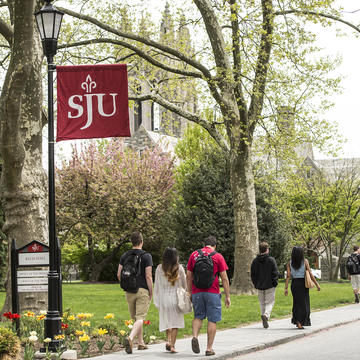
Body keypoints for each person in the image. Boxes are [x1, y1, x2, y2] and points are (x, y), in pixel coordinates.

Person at [186, 236, 231, 356]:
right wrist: (227, 296)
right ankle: (209, 348)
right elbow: (225, 278)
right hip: (213, 292)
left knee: (198, 316)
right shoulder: (218, 256)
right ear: (215, 246)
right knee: (212, 320)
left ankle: (195, 336)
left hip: (197, 291)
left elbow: (189, 275)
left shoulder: (194, 255)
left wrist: (189, 292)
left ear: (204, 244)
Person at [117, 231, 153, 354]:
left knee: (137, 318)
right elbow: (148, 276)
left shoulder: (125, 255)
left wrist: (127, 284)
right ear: (141, 241)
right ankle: (130, 338)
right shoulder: (146, 256)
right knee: (140, 318)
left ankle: (141, 343)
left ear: (131, 242)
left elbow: (119, 274)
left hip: (129, 290)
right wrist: (151, 291)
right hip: (142, 289)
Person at [153, 247, 187, 353]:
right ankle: (172, 345)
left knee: (167, 320)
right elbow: (184, 285)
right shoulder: (179, 268)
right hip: (175, 298)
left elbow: (157, 285)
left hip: (164, 299)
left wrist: (157, 299)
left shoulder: (159, 268)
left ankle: (168, 340)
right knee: (175, 323)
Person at [284, 246, 320, 329]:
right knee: (304, 303)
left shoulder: (289, 262)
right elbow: (310, 274)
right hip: (302, 284)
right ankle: (300, 322)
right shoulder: (305, 261)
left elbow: (288, 276)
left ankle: (297, 321)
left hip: (294, 284)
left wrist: (286, 288)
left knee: (296, 303)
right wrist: (317, 284)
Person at [251, 242, 279, 328]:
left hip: (259, 285)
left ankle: (264, 318)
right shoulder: (271, 260)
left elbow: (253, 274)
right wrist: (275, 282)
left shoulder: (255, 261)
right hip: (270, 284)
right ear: (267, 250)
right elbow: (275, 272)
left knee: (262, 303)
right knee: (270, 302)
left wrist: (255, 283)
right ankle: (266, 315)